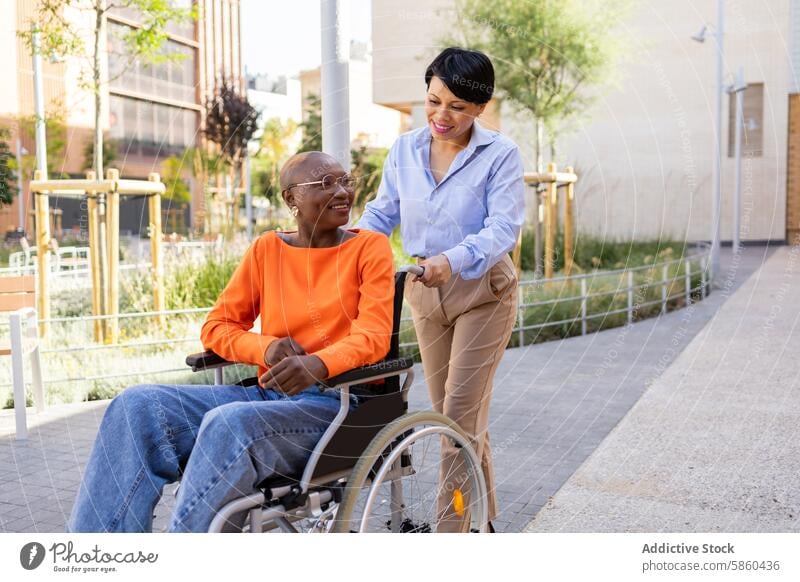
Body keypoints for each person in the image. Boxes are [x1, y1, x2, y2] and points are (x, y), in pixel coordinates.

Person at [67, 152, 395, 533]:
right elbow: (218, 326)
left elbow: (373, 337)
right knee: (135, 406)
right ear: (291, 200)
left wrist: (317, 364)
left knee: (228, 423)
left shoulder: (368, 249)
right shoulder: (266, 250)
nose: (342, 192)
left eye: (346, 181)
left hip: (335, 407)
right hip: (265, 399)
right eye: (325, 184)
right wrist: (266, 348)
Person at [357, 47, 525, 532]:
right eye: (433, 101)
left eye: (457, 106)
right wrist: (345, 249)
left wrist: (450, 261)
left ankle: (449, 537)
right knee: (457, 420)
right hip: (425, 295)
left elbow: (503, 231)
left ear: (480, 107)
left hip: (483, 293)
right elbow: (382, 213)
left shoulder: (500, 155)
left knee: (455, 423)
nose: (441, 116)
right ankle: (485, 523)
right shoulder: (404, 150)